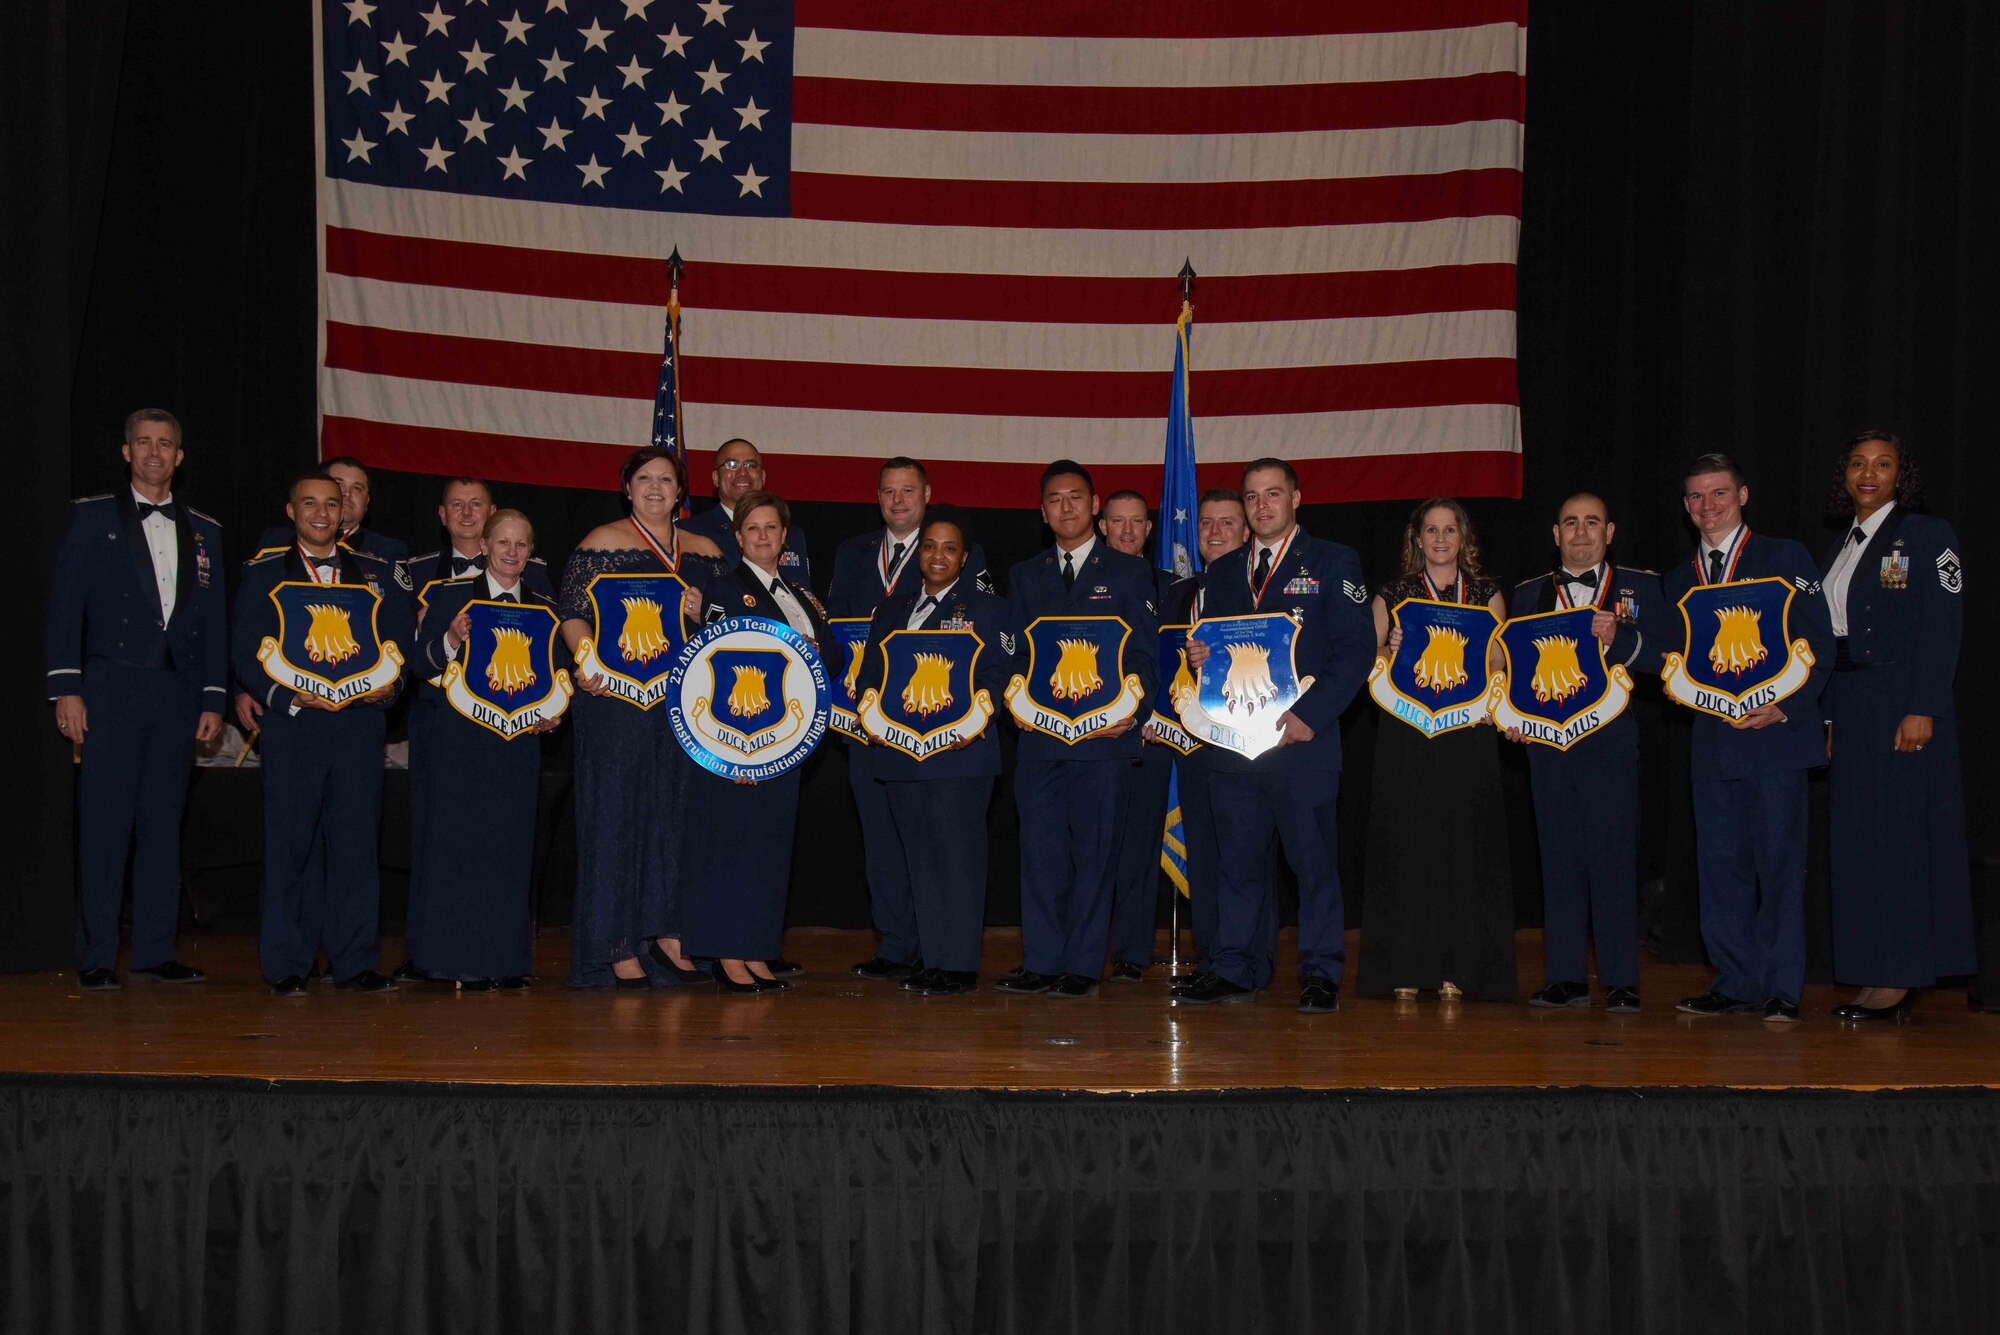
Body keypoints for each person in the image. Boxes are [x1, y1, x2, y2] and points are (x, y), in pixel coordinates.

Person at [1176, 460, 1373, 1012]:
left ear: (1296, 498)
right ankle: (1235, 967)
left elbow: (1355, 650)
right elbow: (1218, 652)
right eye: (1253, 496)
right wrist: (1200, 658)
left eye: (1273, 494)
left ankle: (1320, 971)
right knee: (1236, 864)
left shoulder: (1335, 561)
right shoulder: (1222, 572)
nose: (1263, 505)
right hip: (1235, 744)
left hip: (1303, 742)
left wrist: (1313, 713)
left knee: (1311, 863)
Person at [45, 409, 226, 989]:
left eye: (165, 444)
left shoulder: (205, 529)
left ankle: (154, 950)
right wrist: (66, 687)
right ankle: (97, 955)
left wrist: (213, 697)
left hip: (176, 693)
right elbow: (64, 608)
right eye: (143, 443)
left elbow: (213, 622)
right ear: (126, 452)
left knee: (162, 824)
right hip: (111, 686)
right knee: (104, 825)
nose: (154, 453)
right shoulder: (91, 518)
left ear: (179, 456)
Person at [1662, 452, 1832, 1025]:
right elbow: (1675, 661)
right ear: (1685, 506)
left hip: (1776, 739)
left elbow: (1821, 646)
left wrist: (1787, 707)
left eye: (1718, 494)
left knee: (1781, 868)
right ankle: (1736, 980)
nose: (1707, 506)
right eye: (1695, 497)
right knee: (1721, 868)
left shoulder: (1784, 556)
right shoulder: (1680, 578)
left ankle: (1783, 986)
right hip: (1714, 743)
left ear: (1742, 496)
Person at [232, 472, 412, 995]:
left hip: (358, 727)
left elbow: (398, 644)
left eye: (331, 504)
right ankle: (288, 964)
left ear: (346, 512)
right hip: (294, 726)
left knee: (357, 848)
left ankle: (354, 962)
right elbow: (244, 649)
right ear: (291, 512)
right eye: (309, 503)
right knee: (290, 847)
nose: (321, 513)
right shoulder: (265, 571)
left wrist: (389, 689)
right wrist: (285, 698)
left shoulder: (376, 573)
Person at [1818, 431, 1971, 1022]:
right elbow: (1830, 641)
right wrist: (1829, 715)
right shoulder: (1839, 545)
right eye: (1857, 462)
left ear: (1901, 476)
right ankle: (1871, 970)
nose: (1868, 473)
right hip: (1853, 705)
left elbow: (1944, 625)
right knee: (1860, 842)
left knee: (1901, 840)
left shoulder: (1929, 536)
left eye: (1882, 464)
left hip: (1901, 703)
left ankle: (1900, 977)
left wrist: (1924, 705)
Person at [557, 447, 721, 988]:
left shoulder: (706, 550)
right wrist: (585, 662)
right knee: (616, 818)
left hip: (682, 704)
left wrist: (709, 612)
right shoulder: (600, 543)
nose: (655, 488)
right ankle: (615, 943)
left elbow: (730, 624)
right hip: (615, 701)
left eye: (666, 479)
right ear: (627, 488)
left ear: (681, 492)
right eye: (644, 479)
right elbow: (574, 615)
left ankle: (670, 934)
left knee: (677, 819)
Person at [997, 461, 1158, 998]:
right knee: (1040, 852)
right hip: (1040, 738)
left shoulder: (1131, 571)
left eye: (1075, 497)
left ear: (1095, 505)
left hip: (1105, 740)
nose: (1065, 507)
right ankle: (1042, 960)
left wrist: (1129, 713)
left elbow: (1144, 656)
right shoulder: (1024, 574)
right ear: (1042, 513)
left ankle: (1083, 966)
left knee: (1095, 854)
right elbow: (1016, 656)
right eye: (1054, 499)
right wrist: (1012, 702)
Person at [826, 457, 990, 981]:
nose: (898, 500)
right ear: (877, 498)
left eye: (908, 490)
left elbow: (985, 651)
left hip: (948, 733)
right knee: (885, 840)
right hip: (870, 725)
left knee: (945, 848)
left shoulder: (967, 556)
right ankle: (898, 944)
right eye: (888, 491)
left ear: (927, 495)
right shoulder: (852, 554)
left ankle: (943, 950)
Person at [1506, 493, 1666, 1013]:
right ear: (1555, 535)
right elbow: (1509, 670)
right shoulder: (1528, 593)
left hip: (1611, 742)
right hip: (1548, 746)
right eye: (1570, 523)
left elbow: (1667, 659)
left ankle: (1621, 979)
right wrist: (1511, 720)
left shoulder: (1642, 586)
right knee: (1558, 859)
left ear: (1609, 531)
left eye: (1591, 522)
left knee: (1614, 859)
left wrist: (1620, 638)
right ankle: (1566, 978)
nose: (1580, 532)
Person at [683, 491, 847, 993]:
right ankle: (728, 953)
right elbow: (710, 666)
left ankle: (755, 949)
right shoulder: (718, 590)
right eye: (752, 528)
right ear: (737, 537)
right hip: (739, 740)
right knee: (733, 847)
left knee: (769, 850)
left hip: (788, 740)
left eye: (771, 528)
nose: (762, 536)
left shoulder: (801, 593)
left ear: (784, 538)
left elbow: (835, 656)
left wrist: (820, 652)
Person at [1357, 498, 1518, 1003]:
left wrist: (1501, 709)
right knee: (1408, 843)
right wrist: (1391, 649)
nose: (1441, 539)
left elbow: (1498, 661)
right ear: (1418, 538)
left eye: (1450, 529)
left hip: (1467, 731)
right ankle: (1406, 964)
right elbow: (1368, 659)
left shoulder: (1487, 592)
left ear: (1463, 536)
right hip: (1408, 731)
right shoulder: (1391, 592)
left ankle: (1459, 967)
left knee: (1464, 843)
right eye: (1432, 530)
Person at [851, 510, 1018, 995]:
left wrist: (975, 722)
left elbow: (999, 675)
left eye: (949, 548)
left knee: (958, 858)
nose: (938, 555)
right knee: (919, 859)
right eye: (929, 546)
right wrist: (873, 720)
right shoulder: (892, 610)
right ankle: (931, 955)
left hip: (961, 754)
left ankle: (959, 963)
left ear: (964, 558)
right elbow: (870, 681)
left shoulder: (989, 609)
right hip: (902, 755)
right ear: (917, 555)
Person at [396, 476, 552, 983]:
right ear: (483, 545)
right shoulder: (448, 596)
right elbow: (419, 665)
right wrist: (450, 637)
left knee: (509, 849)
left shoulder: (543, 607)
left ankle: (506, 963)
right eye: (501, 541)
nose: (511, 551)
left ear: (529, 552)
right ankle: (448, 962)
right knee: (456, 849)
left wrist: (553, 713)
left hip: (516, 746)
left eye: (520, 543)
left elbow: (558, 675)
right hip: (458, 744)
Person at [240, 456, 410, 738]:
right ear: (293, 509)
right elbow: (250, 630)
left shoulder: (383, 558)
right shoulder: (272, 549)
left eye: (355, 489)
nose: (343, 495)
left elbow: (399, 630)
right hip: (291, 715)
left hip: (359, 715)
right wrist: (258, 690)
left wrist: (392, 685)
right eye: (337, 486)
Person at [1159, 488, 1249, 990]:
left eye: (1227, 523)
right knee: (1205, 854)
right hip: (1189, 741)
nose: (1215, 532)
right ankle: (1213, 958)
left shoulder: (1256, 589)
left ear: (1246, 531)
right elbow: (1158, 659)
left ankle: (1244, 959)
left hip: (1242, 741)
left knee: (1243, 854)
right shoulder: (1178, 592)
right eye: (1207, 524)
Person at [1099, 489, 1173, 980]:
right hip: (1089, 735)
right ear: (1102, 526)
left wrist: (1152, 716)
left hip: (1151, 735)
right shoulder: (1082, 581)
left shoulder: (1177, 588)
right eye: (1117, 522)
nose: (1127, 531)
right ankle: (1078, 945)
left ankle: (1130, 950)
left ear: (1150, 529)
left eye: (1137, 522)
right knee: (1087, 846)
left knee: (1140, 848)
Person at [681, 437, 811, 582]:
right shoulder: (688, 532)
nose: (742, 472)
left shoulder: (791, 535)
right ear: (716, 478)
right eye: (732, 464)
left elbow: (803, 594)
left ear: (762, 477)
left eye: (751, 465)